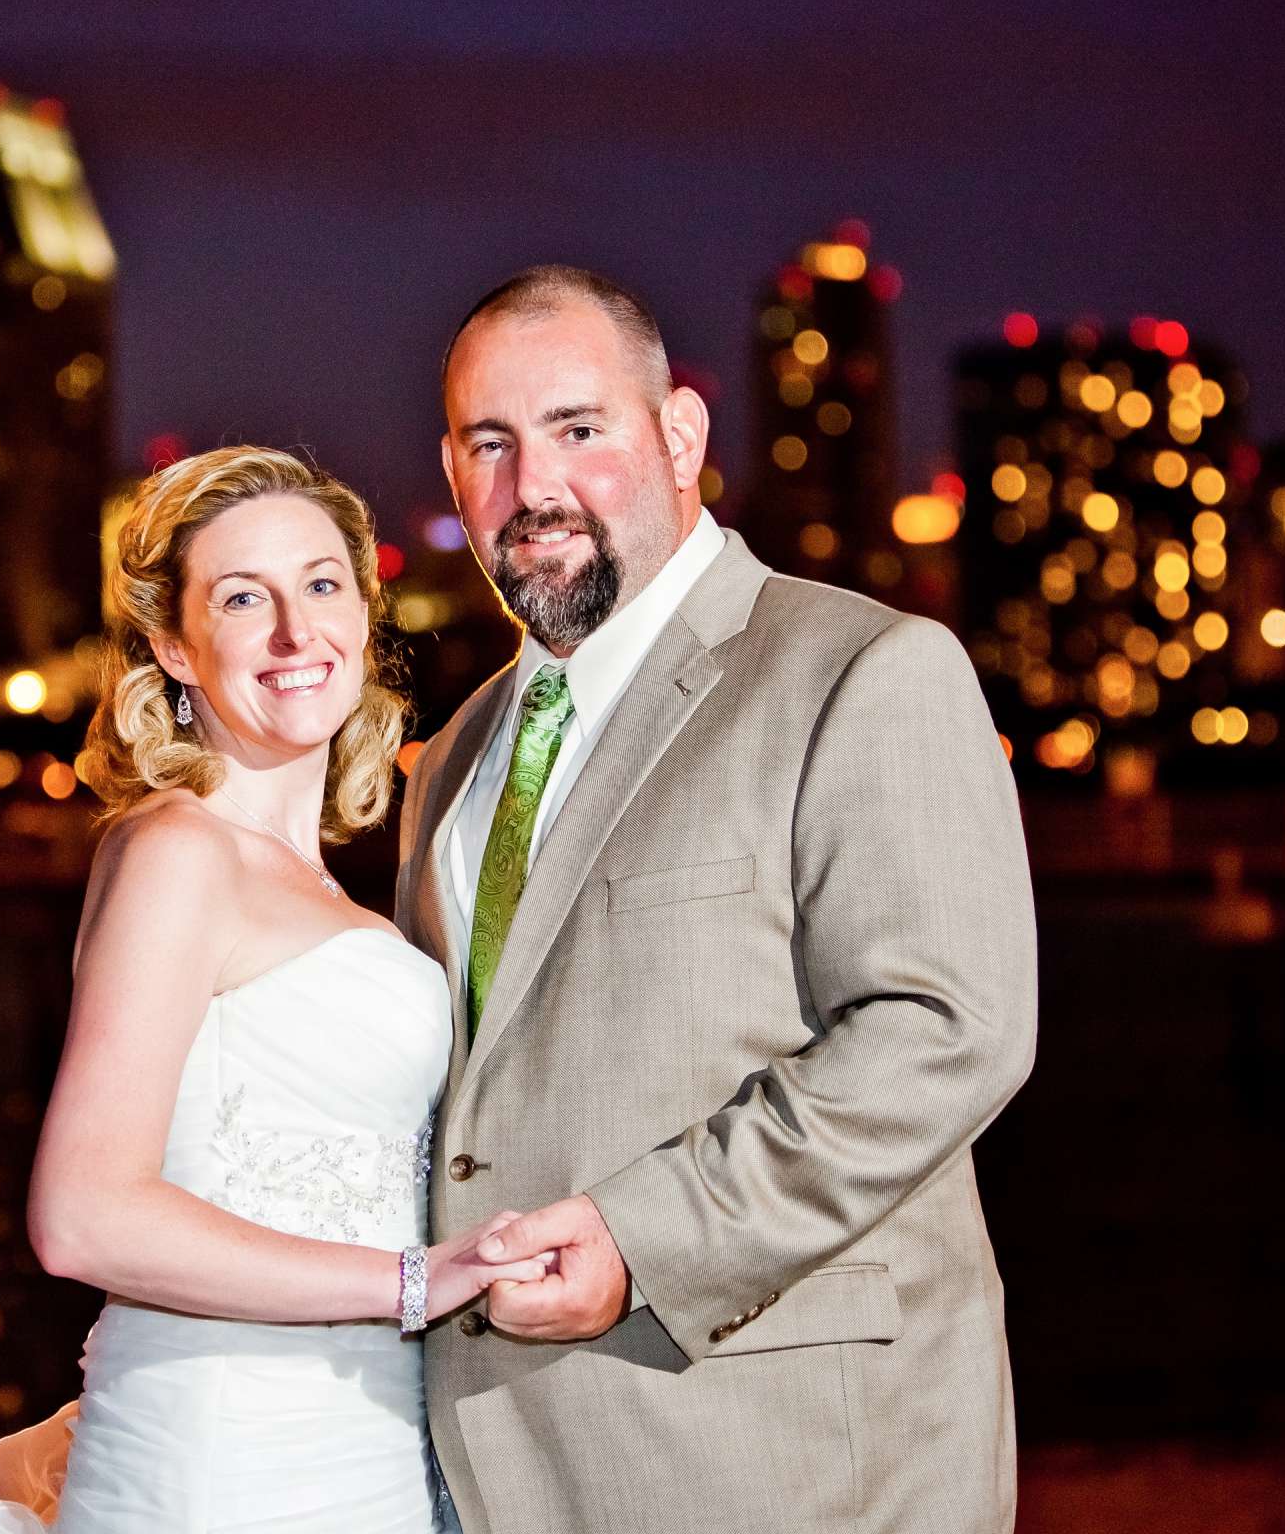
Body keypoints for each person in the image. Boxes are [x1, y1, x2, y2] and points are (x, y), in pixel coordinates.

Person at [397, 266, 1039, 1533]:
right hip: (492, 1474)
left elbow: (950, 1030)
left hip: (788, 1466)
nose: (535, 488)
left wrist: (644, 1237)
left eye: (580, 431)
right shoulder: (457, 756)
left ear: (680, 435)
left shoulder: (863, 671)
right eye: (492, 444)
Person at [0, 446, 546, 1533]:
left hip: (369, 1455)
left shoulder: (339, 884)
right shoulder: (179, 851)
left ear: (362, 613)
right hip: (227, 1467)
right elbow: (81, 1215)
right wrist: (411, 1281)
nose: (294, 633)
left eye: (320, 584)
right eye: (240, 598)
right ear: (174, 644)